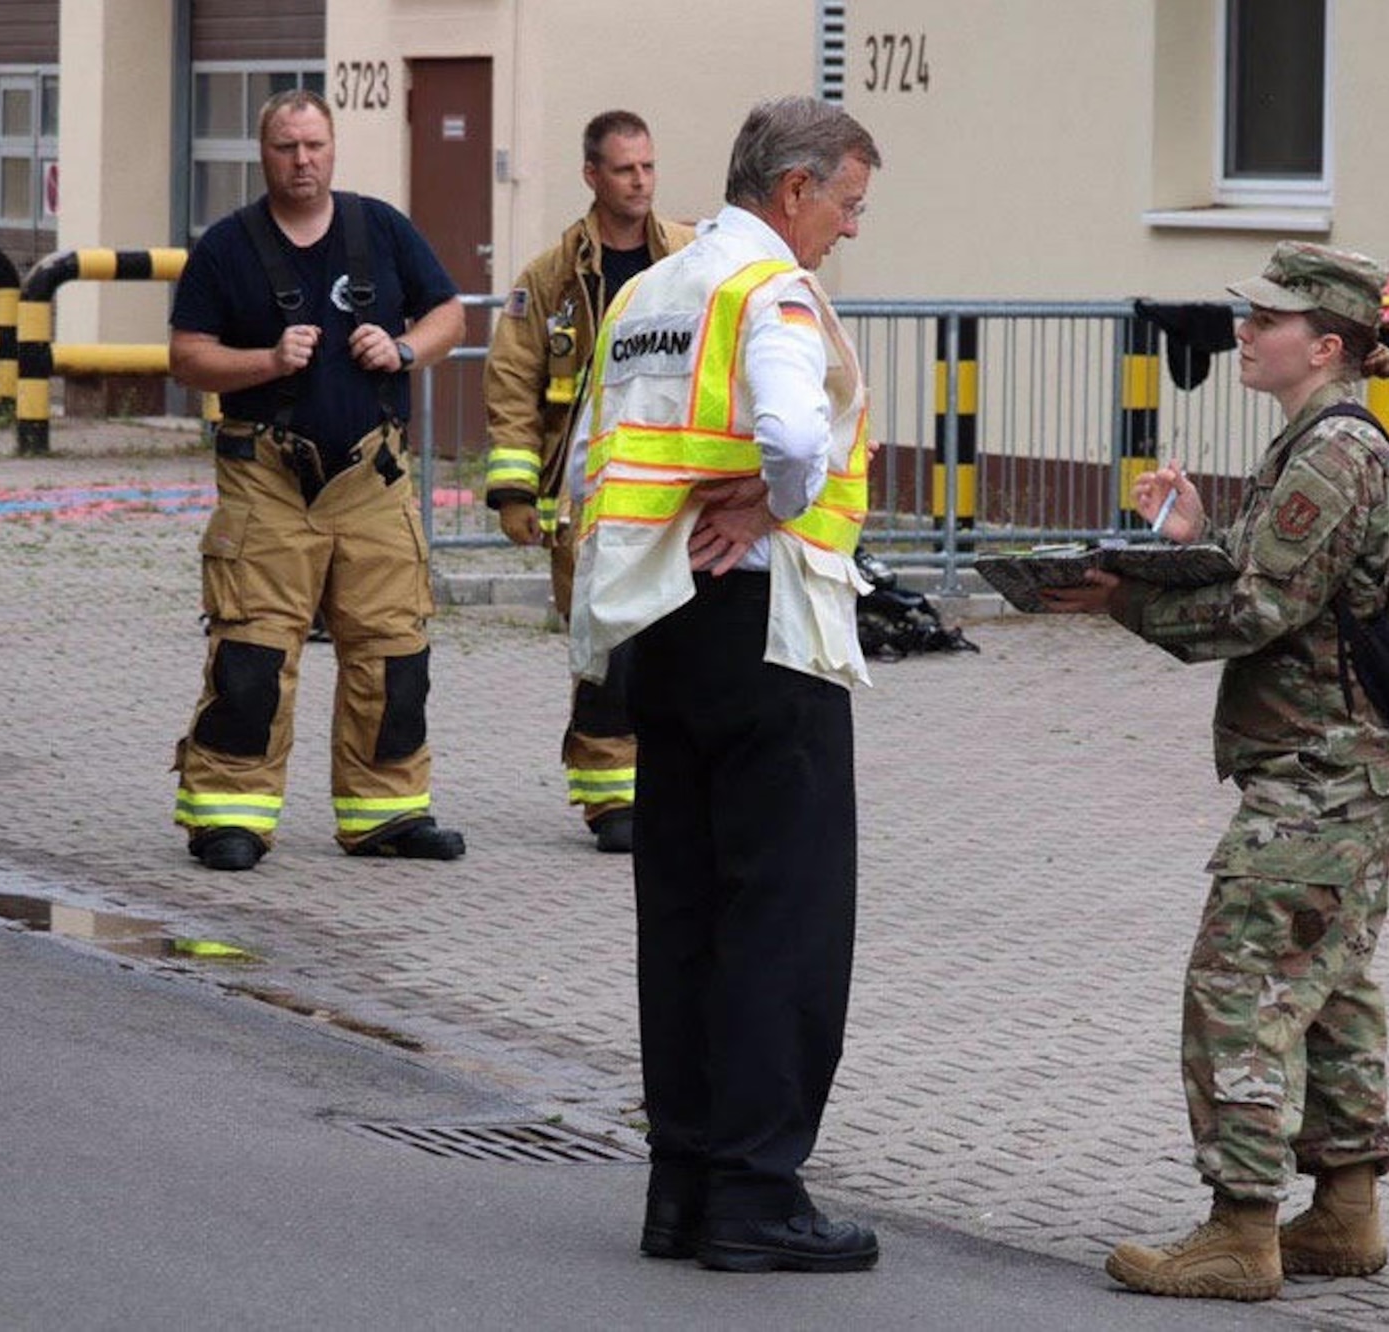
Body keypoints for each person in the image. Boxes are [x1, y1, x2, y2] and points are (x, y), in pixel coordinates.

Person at [1043, 241, 1389, 1302]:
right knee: (1325, 982)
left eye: (1266, 321)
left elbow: (1256, 611)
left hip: (1321, 772)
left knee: (1239, 986)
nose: (1244, 334)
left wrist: (1118, 597)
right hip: (1341, 766)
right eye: (1245, 316)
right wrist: (1194, 536)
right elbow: (1271, 576)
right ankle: (1343, 1212)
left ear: (1327, 346)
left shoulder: (1333, 455)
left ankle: (1239, 1229)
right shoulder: (1313, 444)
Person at [568, 96, 881, 1273]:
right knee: (784, 920)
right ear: (793, 189)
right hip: (766, 630)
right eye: (846, 203)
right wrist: (775, 494)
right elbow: (795, 440)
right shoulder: (771, 295)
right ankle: (755, 1193)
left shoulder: (650, 291)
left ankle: (681, 1187)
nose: (847, 229)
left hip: (659, 627)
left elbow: (601, 454)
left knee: (683, 917)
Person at [167, 88, 468, 872]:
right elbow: (187, 354)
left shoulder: (382, 229)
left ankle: (388, 814)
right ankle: (228, 816)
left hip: (373, 477)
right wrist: (266, 361)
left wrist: (403, 350)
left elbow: (451, 315)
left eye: (314, 146)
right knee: (253, 656)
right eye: (286, 148)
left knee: (395, 653)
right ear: (262, 154)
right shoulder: (227, 247)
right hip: (267, 479)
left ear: (334, 149)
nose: (302, 161)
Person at [482, 110, 696, 854]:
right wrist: (515, 494)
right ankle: (613, 799)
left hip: (676, 489)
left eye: (648, 167)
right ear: (592, 176)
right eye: (624, 169)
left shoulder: (689, 258)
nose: (640, 182)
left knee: (683, 643)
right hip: (589, 496)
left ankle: (678, 787)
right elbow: (512, 381)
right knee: (608, 651)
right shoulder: (552, 277)